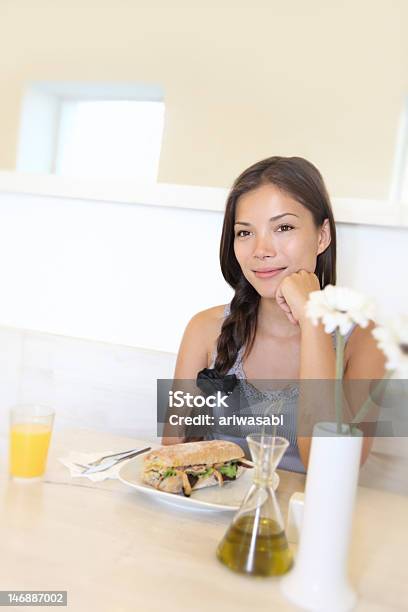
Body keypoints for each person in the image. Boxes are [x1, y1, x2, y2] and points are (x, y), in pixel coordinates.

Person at [162, 156, 385, 472]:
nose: (261, 250)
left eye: (284, 227)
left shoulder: (364, 341)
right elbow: (172, 455)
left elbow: (331, 469)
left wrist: (313, 321)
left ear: (322, 236)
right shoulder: (204, 329)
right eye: (245, 232)